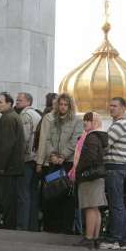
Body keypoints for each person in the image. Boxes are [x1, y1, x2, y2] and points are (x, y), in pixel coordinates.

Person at [36, 93, 82, 234]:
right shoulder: (52, 119)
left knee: (67, 196)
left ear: (69, 106)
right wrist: (52, 155)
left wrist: (63, 155)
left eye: (65, 104)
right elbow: (47, 139)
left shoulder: (76, 121)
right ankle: (51, 227)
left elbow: (75, 141)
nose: (62, 107)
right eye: (60, 104)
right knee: (51, 194)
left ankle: (66, 228)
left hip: (67, 163)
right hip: (53, 163)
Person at [71, 112, 108, 249]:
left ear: (95, 122)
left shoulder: (91, 137)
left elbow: (89, 157)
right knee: (95, 208)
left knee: (90, 208)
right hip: (96, 177)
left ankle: (88, 238)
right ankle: (95, 238)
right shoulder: (97, 136)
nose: (85, 122)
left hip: (89, 177)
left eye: (89, 120)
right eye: (85, 120)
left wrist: (78, 169)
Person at [99, 97, 126, 250]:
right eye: (110, 105)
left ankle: (116, 239)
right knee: (116, 204)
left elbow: (105, 145)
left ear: (122, 109)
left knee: (116, 204)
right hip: (117, 168)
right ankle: (118, 238)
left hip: (114, 168)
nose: (111, 108)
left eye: (115, 106)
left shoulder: (119, 125)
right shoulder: (119, 124)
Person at [0, 92, 25, 229]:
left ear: (9, 104)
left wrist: (1, 167)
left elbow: (6, 146)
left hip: (8, 169)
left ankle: (8, 227)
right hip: (12, 168)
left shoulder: (8, 119)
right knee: (9, 199)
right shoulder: (11, 117)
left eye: (0, 102)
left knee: (7, 200)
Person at [15, 92, 42, 231]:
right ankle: (32, 226)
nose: (16, 102)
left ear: (28, 102)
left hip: (27, 159)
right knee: (32, 194)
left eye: (20, 100)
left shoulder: (25, 115)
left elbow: (23, 139)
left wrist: (19, 157)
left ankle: (22, 226)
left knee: (23, 194)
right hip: (36, 159)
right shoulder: (37, 115)